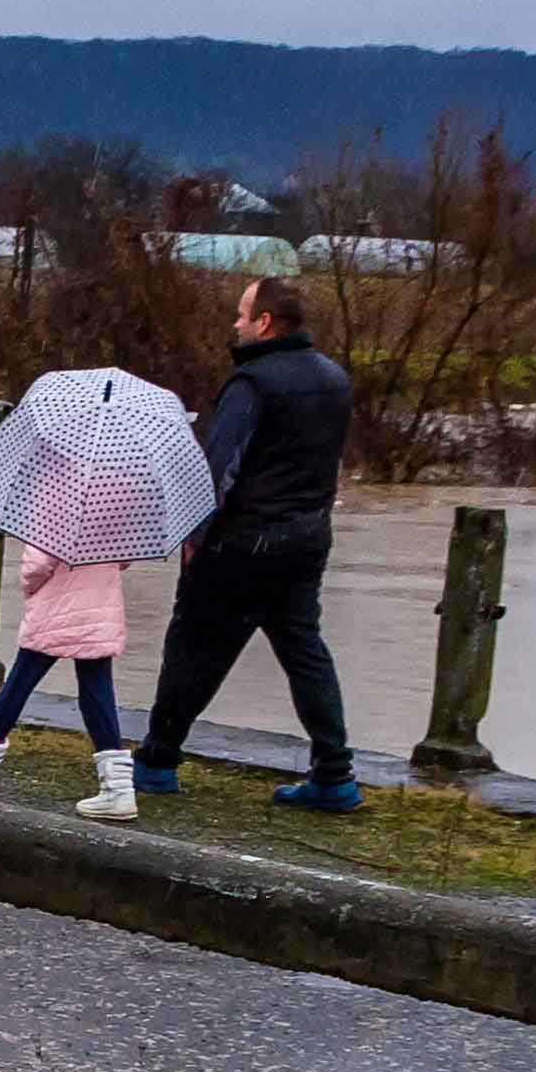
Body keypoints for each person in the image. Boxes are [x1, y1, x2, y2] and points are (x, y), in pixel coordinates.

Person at [134, 277, 361, 810]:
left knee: (194, 645)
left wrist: (193, 534)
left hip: (241, 541)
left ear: (264, 323)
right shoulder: (334, 379)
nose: (234, 324)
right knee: (305, 650)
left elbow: (218, 469)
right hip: (307, 535)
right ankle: (334, 773)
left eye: (242, 314)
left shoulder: (251, 384)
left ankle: (157, 761)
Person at [0, 539, 137, 814]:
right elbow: (124, 558)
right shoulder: (122, 500)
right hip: (100, 607)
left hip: (57, 605)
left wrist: (29, 587)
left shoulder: (54, 497)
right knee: (97, 691)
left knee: (20, 683)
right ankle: (119, 790)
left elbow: (38, 565)